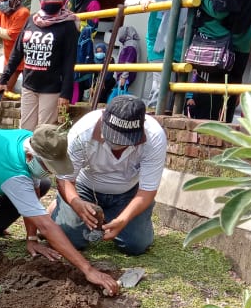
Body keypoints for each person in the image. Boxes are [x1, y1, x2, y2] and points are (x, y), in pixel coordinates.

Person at [0, 125, 122, 295]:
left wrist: (32, 239)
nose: (52, 171)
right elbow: (46, 225)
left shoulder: (35, 141)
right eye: (49, 166)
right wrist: (87, 269)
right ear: (30, 156)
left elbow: (34, 190)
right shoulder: (15, 174)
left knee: (42, 183)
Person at [52, 95, 167, 256]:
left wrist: (124, 219)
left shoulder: (154, 137)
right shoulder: (82, 131)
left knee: (136, 245)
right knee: (71, 239)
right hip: (85, 189)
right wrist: (76, 202)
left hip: (127, 193)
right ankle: (59, 208)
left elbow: (147, 190)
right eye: (113, 137)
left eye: (125, 139)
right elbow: (65, 179)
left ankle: (111, 216)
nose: (118, 145)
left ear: (140, 130)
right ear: (103, 120)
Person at [0, 0, 79, 130]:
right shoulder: (31, 20)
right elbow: (17, 52)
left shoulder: (68, 25)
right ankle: (25, 156)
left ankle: (36, 156)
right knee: (24, 132)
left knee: (43, 135)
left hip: (51, 89)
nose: (52, 0)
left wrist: (65, 94)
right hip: (29, 86)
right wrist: (3, 80)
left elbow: (70, 62)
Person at [125, 0, 197, 108]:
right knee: (160, 86)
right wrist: (142, 2)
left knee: (181, 88)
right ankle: (155, 121)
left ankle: (173, 123)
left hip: (185, 38)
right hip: (158, 40)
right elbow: (129, 0)